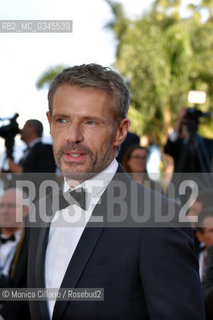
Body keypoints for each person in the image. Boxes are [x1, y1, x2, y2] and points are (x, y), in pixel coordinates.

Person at [27, 64, 205, 320]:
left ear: (120, 131)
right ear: (50, 123)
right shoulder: (41, 209)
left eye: (90, 122)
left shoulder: (159, 218)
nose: (72, 136)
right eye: (62, 120)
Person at [0, 188, 30, 320]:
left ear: (25, 210)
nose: (4, 211)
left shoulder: (33, 243)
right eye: (1, 206)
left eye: (11, 206)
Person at [164, 107, 213, 173]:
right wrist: (179, 120)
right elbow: (168, 148)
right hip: (182, 182)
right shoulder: (179, 145)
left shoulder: (206, 144)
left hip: (202, 182)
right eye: (185, 123)